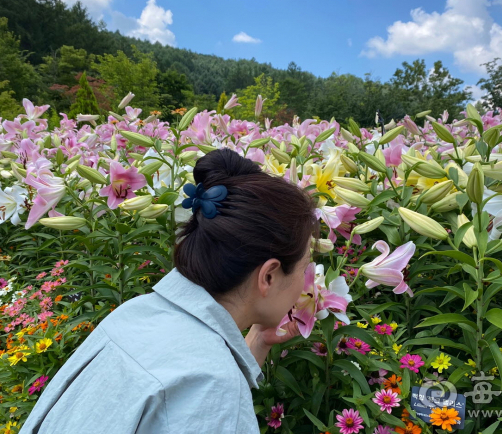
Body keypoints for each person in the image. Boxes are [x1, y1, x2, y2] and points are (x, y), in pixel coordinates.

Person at [20, 148, 319, 433]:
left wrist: (256, 343)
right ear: (268, 276)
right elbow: (201, 396)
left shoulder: (134, 314)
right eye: (305, 266)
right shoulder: (212, 382)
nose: (307, 281)